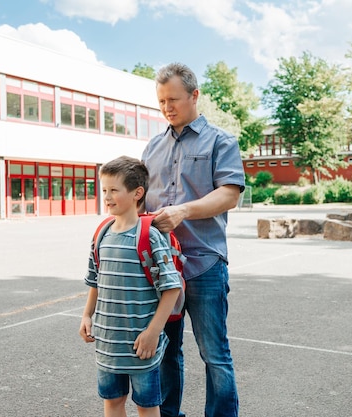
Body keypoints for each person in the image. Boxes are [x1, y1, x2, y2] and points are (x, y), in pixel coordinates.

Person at [142, 63, 245, 417]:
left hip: (204, 264)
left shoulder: (222, 141)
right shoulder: (152, 148)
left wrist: (183, 211)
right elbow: (141, 199)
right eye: (161, 101)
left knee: (215, 354)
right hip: (162, 269)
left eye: (173, 99)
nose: (167, 107)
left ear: (195, 95)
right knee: (166, 351)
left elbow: (230, 194)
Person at [79, 156, 183, 417]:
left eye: (114, 190)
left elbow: (172, 288)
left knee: (147, 407)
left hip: (141, 347)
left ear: (137, 193)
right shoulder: (102, 233)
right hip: (107, 343)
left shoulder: (150, 237)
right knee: (113, 402)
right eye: (104, 190)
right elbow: (95, 280)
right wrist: (86, 315)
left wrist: (152, 333)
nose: (107, 196)